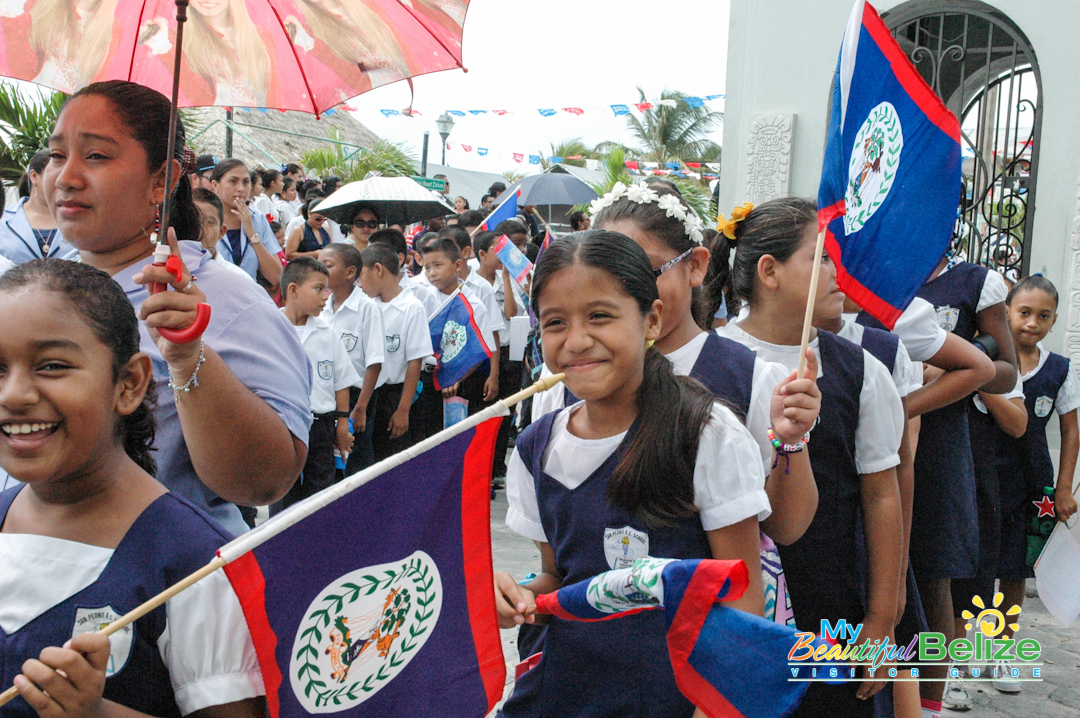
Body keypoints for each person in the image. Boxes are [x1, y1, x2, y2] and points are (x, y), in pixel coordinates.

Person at [496, 230, 772, 718]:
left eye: (600, 316)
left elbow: (744, 598)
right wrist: (517, 596)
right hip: (560, 690)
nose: (577, 340)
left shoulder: (703, 433)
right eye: (555, 322)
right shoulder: (535, 446)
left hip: (668, 696)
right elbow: (557, 576)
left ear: (651, 319)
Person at [42, 80, 311, 536]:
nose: (66, 177)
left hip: (161, 587)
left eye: (96, 156)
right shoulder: (43, 280)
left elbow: (268, 479)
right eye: (55, 155)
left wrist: (189, 359)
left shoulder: (227, 299)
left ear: (161, 180)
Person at [0, 259, 264, 718]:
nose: (15, 394)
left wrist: (98, 712)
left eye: (53, 366)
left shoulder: (195, 563)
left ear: (129, 383)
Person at [710, 197, 903, 716]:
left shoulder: (861, 371)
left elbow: (883, 493)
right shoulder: (709, 365)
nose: (835, 273)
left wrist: (883, 617)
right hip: (728, 600)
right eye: (818, 259)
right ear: (769, 272)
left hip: (828, 598)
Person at [894, 252, 1018, 718]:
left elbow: (1007, 372)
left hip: (940, 443)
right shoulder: (874, 268)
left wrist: (957, 360)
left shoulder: (975, 283)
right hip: (875, 435)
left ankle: (929, 704)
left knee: (931, 575)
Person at [987, 276, 1078, 691]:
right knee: (971, 568)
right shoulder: (986, 356)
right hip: (983, 474)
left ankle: (1001, 654)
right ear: (1006, 311)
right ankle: (957, 654)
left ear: (1055, 320)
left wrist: (1063, 487)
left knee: (1015, 570)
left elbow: (1071, 429)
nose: (1031, 323)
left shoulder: (1060, 370)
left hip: (1031, 483)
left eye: (1043, 316)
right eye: (1024, 312)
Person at [275, 258, 357, 511]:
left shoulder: (326, 332)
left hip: (320, 425)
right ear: (293, 290)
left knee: (319, 494)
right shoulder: (271, 328)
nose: (325, 297)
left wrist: (342, 427)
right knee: (282, 492)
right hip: (282, 424)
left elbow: (341, 382)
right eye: (318, 289)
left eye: (327, 290)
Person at [358, 243, 432, 460]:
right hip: (371, 395)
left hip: (397, 395)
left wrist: (403, 409)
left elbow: (414, 362)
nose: (359, 283)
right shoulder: (368, 305)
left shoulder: (411, 307)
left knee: (397, 458)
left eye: (362, 274)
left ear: (378, 269)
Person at [318, 243, 385, 475]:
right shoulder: (322, 306)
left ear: (349, 272)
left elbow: (374, 362)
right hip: (328, 394)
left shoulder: (367, 308)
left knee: (357, 458)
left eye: (327, 266)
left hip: (358, 395)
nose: (320, 270)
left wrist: (361, 407)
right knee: (331, 458)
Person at [421, 238, 497, 433]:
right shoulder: (422, 299)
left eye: (438, 265)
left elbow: (478, 349)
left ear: (457, 265)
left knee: (454, 437)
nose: (432, 273)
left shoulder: (473, 305)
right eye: (427, 267)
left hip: (459, 383)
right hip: (426, 381)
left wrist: (456, 378)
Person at [140, 0, 278, 106]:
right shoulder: (174, 40)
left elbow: (273, 97)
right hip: (217, 125)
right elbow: (200, 99)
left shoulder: (261, 36)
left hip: (258, 127)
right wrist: (165, 47)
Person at [211, 158, 284, 287]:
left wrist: (252, 235)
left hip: (248, 300)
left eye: (246, 182)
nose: (240, 188)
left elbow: (276, 277)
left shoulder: (258, 219)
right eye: (233, 181)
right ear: (215, 186)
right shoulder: (206, 220)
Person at [0, 150, 77, 264]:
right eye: (56, 174)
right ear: (34, 176)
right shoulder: (3, 220)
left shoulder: (82, 219)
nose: (63, 182)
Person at [192, 187, 255, 283]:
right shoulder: (164, 274)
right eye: (193, 221)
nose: (200, 230)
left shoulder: (239, 279)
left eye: (209, 222)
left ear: (221, 232)